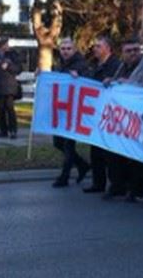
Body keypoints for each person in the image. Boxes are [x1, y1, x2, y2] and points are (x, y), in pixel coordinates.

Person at [103, 36, 143, 202]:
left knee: (136, 157)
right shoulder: (122, 66)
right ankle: (118, 185)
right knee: (115, 153)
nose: (133, 53)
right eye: (129, 51)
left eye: (136, 50)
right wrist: (110, 81)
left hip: (138, 118)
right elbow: (119, 82)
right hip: (122, 118)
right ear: (123, 53)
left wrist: (129, 84)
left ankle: (136, 189)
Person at [83, 36, 122, 195]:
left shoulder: (116, 65)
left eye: (98, 46)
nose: (95, 48)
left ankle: (116, 184)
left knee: (109, 153)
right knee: (96, 150)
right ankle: (98, 182)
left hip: (110, 114)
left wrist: (112, 80)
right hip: (97, 112)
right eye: (95, 46)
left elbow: (120, 83)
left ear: (108, 48)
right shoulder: (94, 64)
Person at [52, 38, 90, 188]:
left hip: (74, 110)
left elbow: (88, 81)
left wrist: (79, 77)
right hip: (62, 109)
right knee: (58, 143)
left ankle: (64, 177)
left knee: (68, 145)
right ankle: (82, 165)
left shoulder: (80, 64)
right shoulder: (61, 64)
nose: (65, 51)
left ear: (74, 50)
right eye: (63, 49)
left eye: (68, 48)